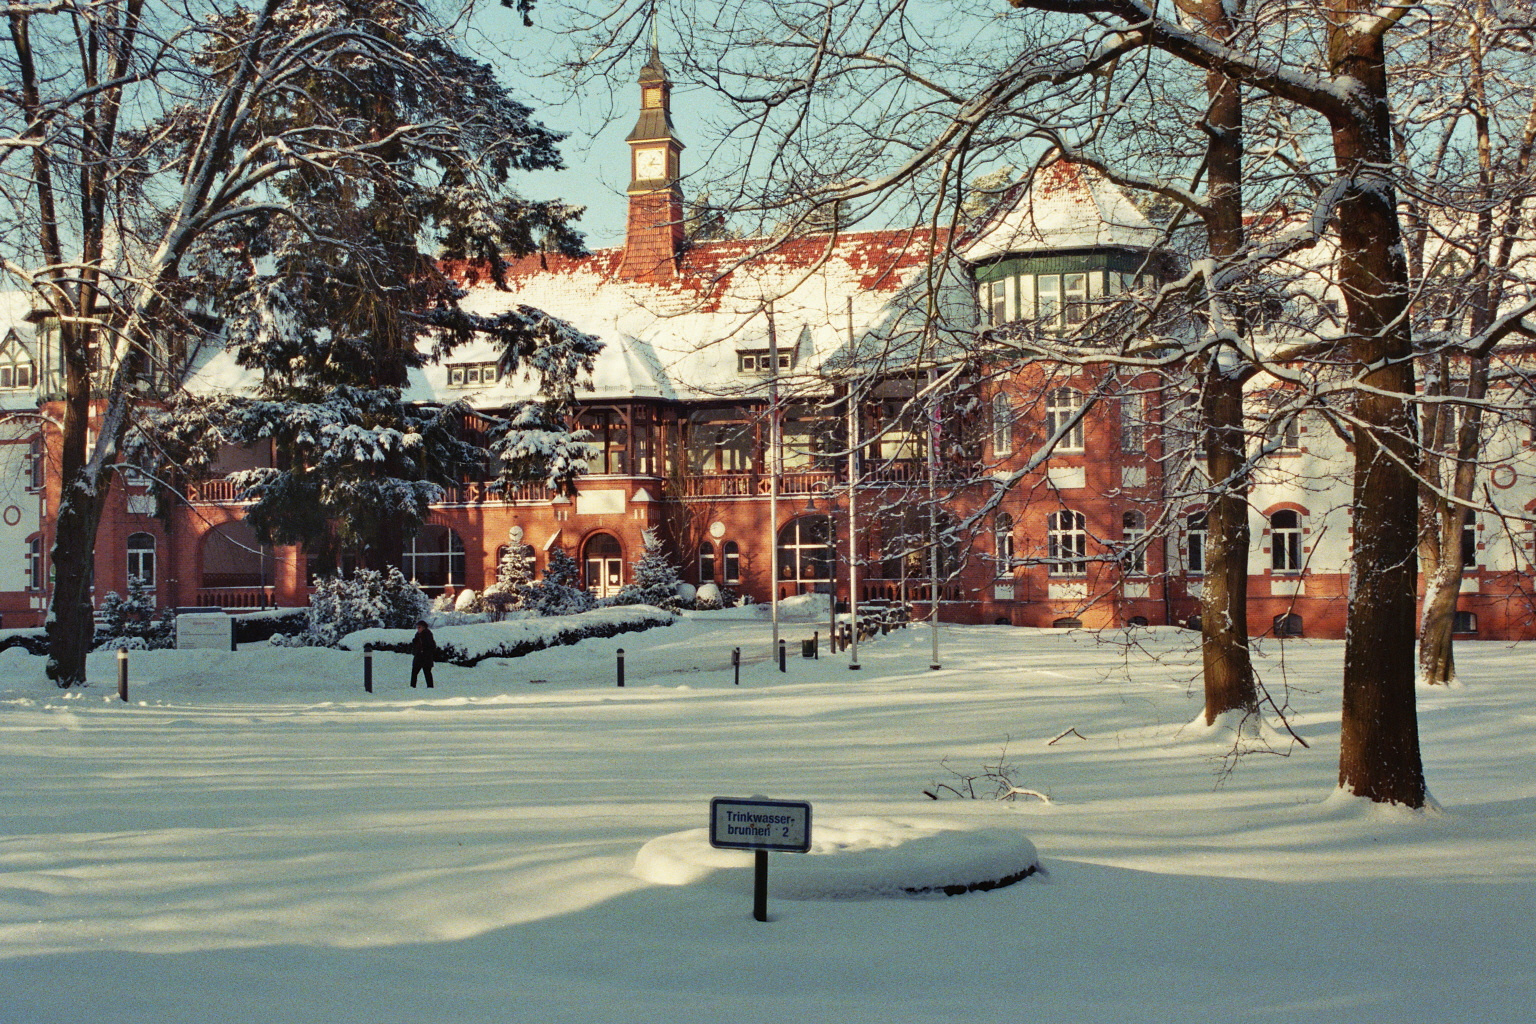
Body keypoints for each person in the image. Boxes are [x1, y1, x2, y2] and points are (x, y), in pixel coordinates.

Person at [410, 620, 436, 689]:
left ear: (423, 627)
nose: (418, 629)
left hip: (426, 658)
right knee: (414, 672)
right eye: (417, 627)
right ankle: (412, 687)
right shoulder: (417, 635)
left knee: (427, 673)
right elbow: (416, 645)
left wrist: (425, 651)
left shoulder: (428, 635)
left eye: (419, 627)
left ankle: (430, 687)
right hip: (418, 657)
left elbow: (431, 646)